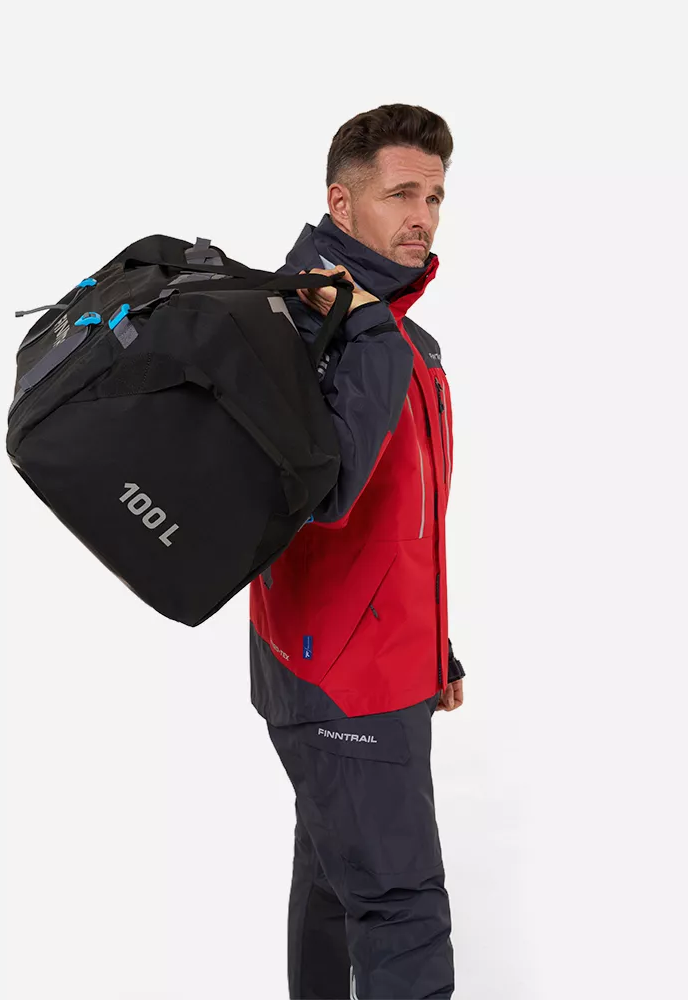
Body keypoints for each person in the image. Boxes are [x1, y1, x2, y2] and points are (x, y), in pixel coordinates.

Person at [248, 104, 465, 1000]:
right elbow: (327, 494)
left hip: (382, 660)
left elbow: (407, 518)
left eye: (435, 198)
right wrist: (367, 327)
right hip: (338, 669)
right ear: (342, 203)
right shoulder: (306, 326)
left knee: (336, 889)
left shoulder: (400, 335)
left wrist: (434, 647)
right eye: (400, 194)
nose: (423, 218)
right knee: (401, 908)